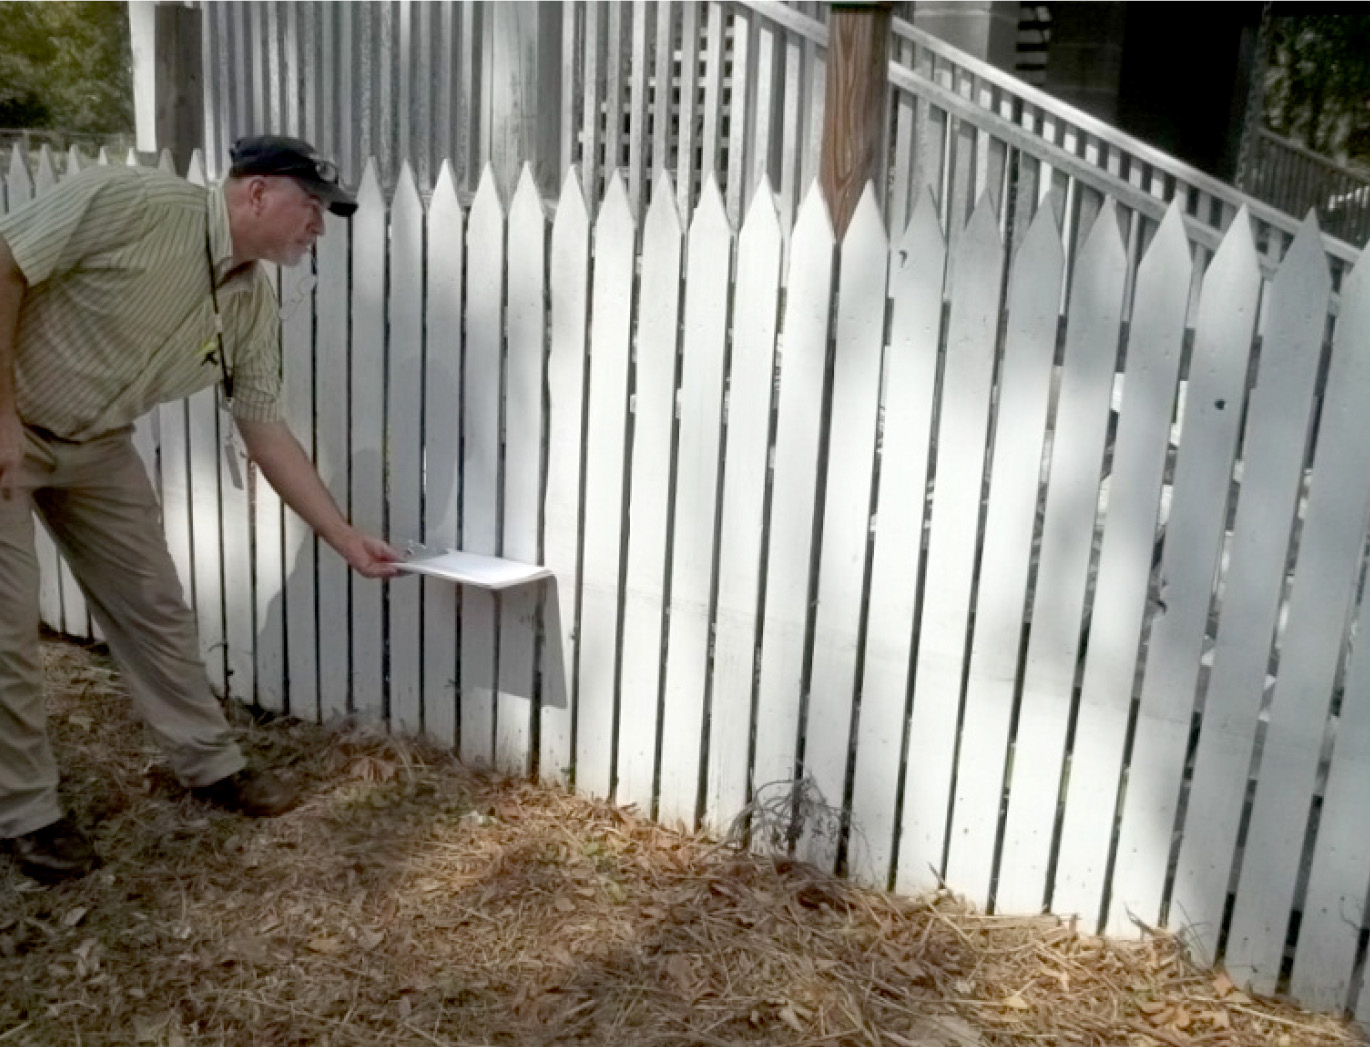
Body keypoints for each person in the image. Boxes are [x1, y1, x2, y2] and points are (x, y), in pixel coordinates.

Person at [0, 135, 400, 883]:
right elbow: (5, 264)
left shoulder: (249, 300)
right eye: (310, 206)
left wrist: (342, 535)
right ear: (256, 194)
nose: (319, 225)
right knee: (7, 627)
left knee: (154, 603)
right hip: (7, 419)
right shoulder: (129, 202)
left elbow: (265, 427)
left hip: (97, 443)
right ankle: (25, 812)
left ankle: (211, 765)